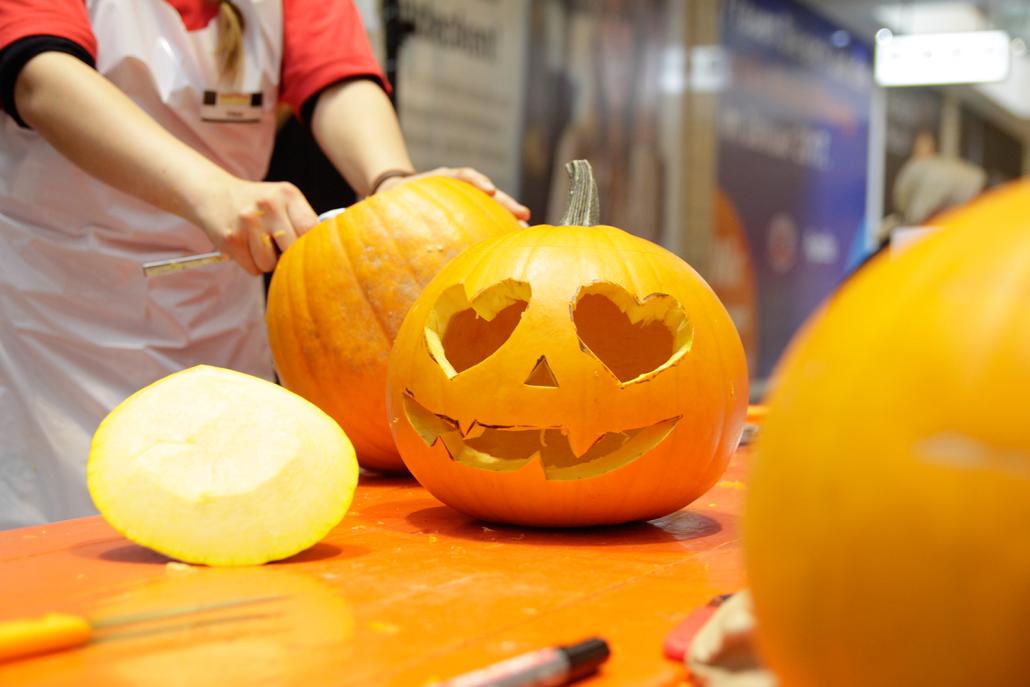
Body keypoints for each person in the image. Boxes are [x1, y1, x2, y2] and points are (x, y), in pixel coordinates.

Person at [0, 0, 529, 529]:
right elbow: (40, 79)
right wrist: (212, 192)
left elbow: (336, 78)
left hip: (221, 311)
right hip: (59, 327)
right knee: (73, 545)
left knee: (226, 528)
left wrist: (390, 180)